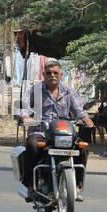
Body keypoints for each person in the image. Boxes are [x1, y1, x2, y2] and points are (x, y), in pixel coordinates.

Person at [17, 60, 94, 202]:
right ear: (43, 75)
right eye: (49, 73)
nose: (52, 76)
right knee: (32, 145)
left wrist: (85, 118)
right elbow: (24, 106)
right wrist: (25, 116)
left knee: (82, 148)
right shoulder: (35, 90)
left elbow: (78, 109)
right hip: (41, 131)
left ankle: (76, 187)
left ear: (61, 75)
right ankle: (30, 187)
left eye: (55, 73)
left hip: (64, 132)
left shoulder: (68, 91)